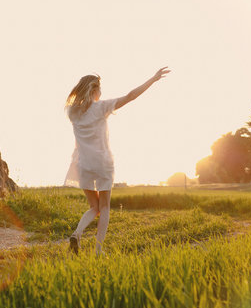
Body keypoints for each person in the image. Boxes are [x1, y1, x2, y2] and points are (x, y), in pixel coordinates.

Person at [64, 67, 171, 255]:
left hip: (83, 164)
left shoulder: (72, 111)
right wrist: (153, 79)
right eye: (100, 89)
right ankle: (98, 249)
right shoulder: (101, 107)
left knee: (93, 207)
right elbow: (131, 96)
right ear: (95, 89)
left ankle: (77, 233)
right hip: (103, 163)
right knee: (104, 207)